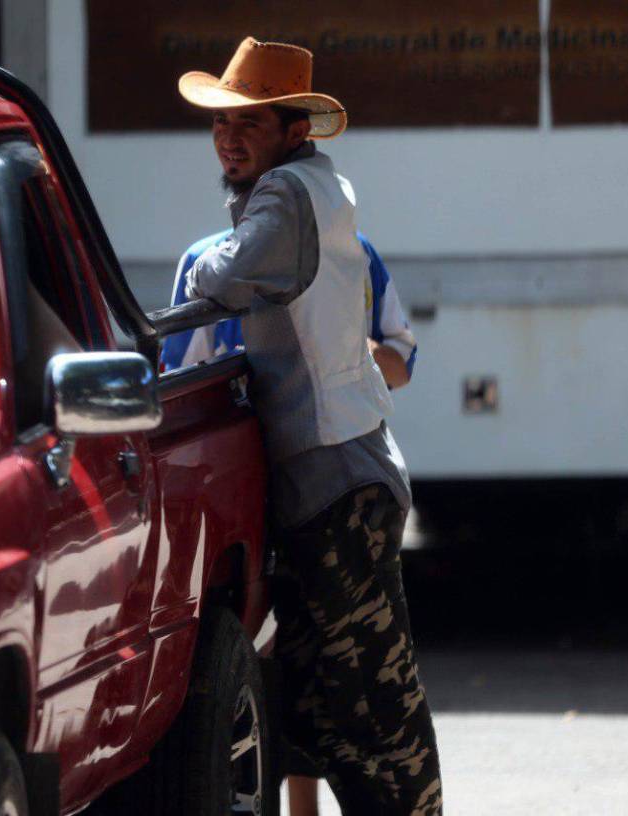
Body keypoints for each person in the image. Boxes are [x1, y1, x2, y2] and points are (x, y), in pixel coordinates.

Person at [176, 37, 443, 815]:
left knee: (369, 709)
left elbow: (220, 280)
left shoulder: (285, 197)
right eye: (221, 124)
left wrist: (205, 265)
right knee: (325, 695)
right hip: (342, 477)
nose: (228, 138)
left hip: (334, 482)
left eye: (248, 124)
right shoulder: (319, 189)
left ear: (294, 131)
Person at [160, 231, 417, 389]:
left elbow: (400, 370)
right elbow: (182, 392)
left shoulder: (355, 252)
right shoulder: (202, 259)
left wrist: (343, 342)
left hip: (339, 463)